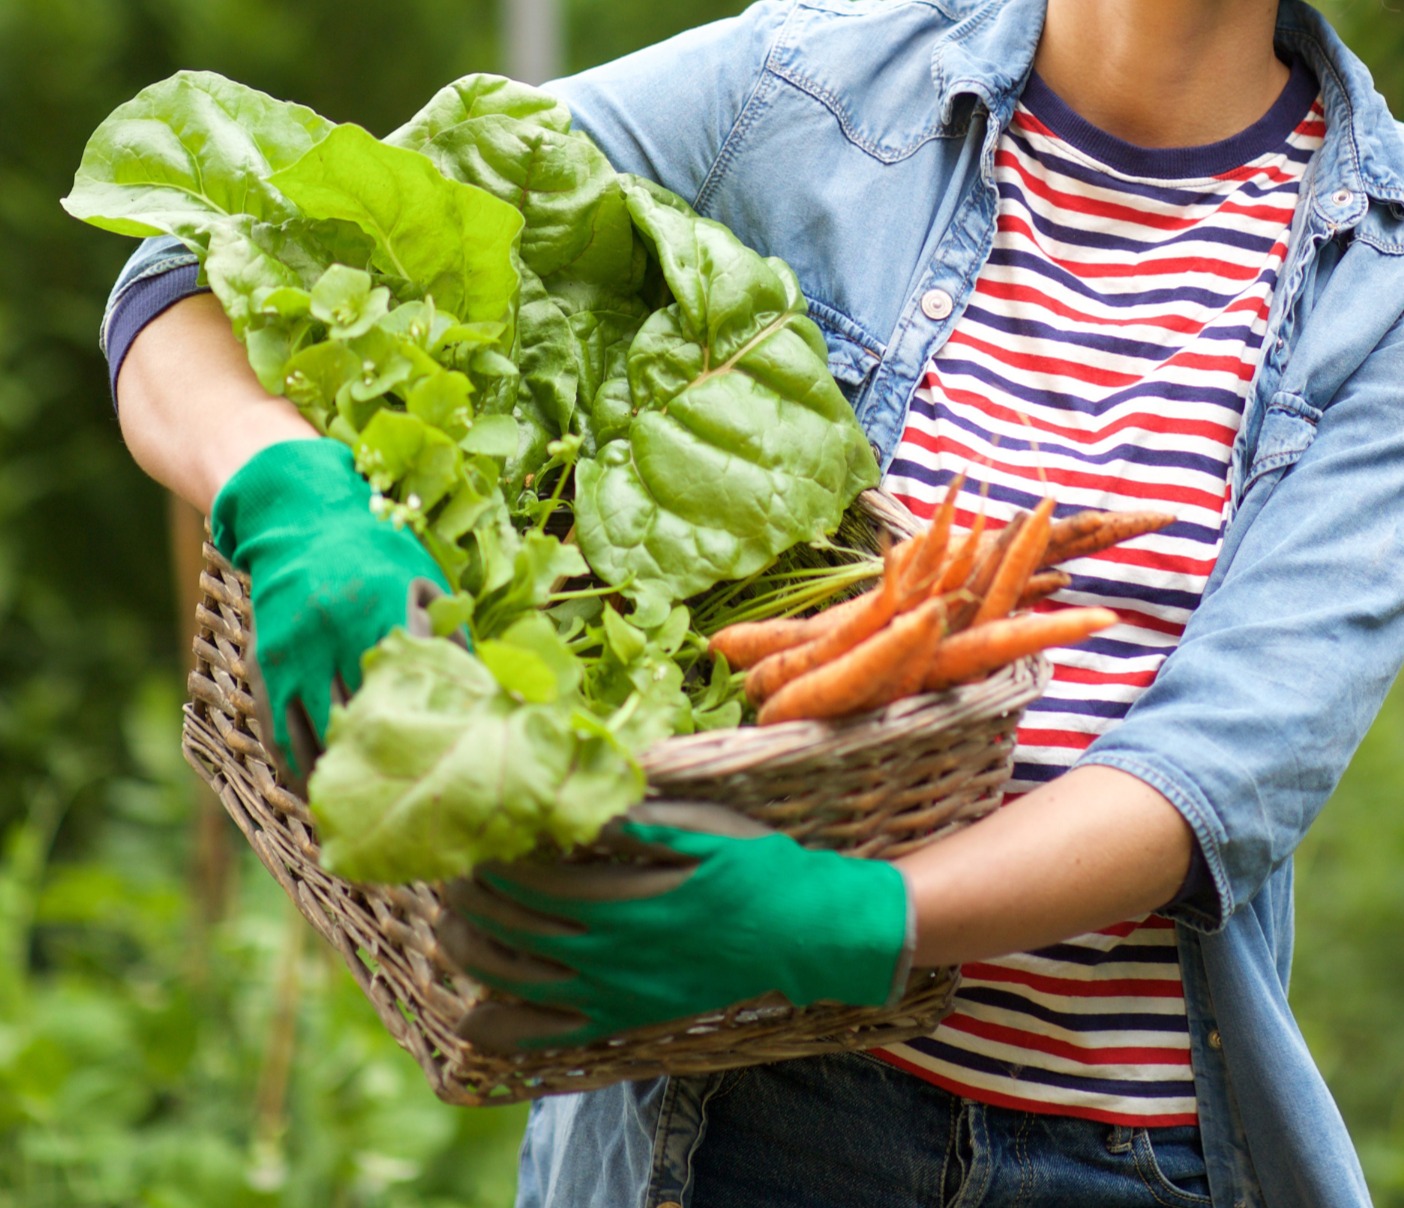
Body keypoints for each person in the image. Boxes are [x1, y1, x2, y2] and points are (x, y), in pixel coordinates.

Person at [102, 0, 1404, 1204]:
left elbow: (1220, 770)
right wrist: (282, 482)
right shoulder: (812, 88)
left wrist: (850, 921)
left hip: (1124, 1160)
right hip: (728, 1127)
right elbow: (198, 265)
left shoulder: (1380, 281)